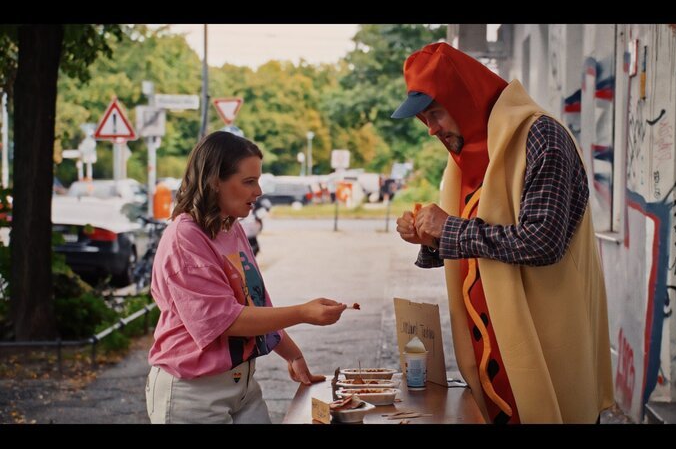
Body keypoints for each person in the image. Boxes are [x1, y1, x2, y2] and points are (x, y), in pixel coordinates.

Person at [392, 42, 613, 424]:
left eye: (435, 114)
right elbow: (478, 238)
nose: (430, 130)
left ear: (463, 98)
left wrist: (449, 228)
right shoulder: (467, 156)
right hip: (492, 355)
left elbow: (541, 241)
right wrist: (431, 239)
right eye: (423, 119)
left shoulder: (541, 137)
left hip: (545, 349)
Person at [146, 131, 347, 424]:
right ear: (215, 181)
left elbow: (256, 305)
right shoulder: (185, 237)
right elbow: (223, 320)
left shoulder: (232, 227)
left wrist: (292, 354)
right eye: (249, 181)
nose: (259, 191)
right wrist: (303, 313)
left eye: (258, 180)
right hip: (192, 393)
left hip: (242, 387)